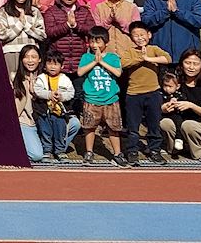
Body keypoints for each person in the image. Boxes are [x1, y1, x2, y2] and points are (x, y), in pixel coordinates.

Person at [119, 21, 171, 165]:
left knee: (154, 124)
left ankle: (154, 150)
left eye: (142, 34)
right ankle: (132, 151)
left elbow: (167, 58)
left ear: (149, 35)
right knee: (133, 126)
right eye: (135, 35)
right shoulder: (129, 51)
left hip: (153, 92)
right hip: (133, 94)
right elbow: (124, 64)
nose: (139, 38)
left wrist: (148, 58)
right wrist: (140, 58)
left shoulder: (153, 49)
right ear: (131, 38)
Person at [77, 27, 127, 166]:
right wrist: (94, 61)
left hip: (111, 99)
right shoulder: (86, 57)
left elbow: (118, 73)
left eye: (98, 42)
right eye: (92, 42)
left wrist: (101, 62)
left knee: (114, 128)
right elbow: (80, 72)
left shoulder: (113, 57)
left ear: (106, 42)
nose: (94, 45)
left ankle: (117, 154)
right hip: (91, 99)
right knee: (89, 127)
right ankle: (89, 152)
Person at [160, 48, 201, 161]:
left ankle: (198, 151)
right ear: (181, 64)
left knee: (188, 125)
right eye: (187, 63)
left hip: (199, 124)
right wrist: (165, 108)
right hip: (176, 123)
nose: (191, 67)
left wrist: (191, 105)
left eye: (195, 64)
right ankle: (172, 148)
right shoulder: (174, 82)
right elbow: (160, 103)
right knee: (165, 123)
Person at [32, 49, 80, 161]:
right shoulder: (41, 78)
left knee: (60, 131)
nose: (52, 67)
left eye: (56, 64)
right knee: (45, 131)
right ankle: (47, 150)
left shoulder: (65, 79)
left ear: (62, 66)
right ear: (45, 66)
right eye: (49, 63)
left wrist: (62, 96)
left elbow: (71, 93)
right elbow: (37, 91)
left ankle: (60, 150)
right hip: (44, 112)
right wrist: (49, 94)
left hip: (59, 113)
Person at [42, 0, 95, 81]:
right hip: (59, 63)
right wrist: (67, 25)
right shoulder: (51, 11)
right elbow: (49, 32)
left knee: (79, 89)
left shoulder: (84, 11)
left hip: (79, 63)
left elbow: (92, 30)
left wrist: (76, 25)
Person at [0, 0, 45, 75]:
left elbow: (42, 35)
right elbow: (2, 35)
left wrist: (26, 25)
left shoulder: (34, 11)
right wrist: (19, 25)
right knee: (12, 80)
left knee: (31, 80)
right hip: (11, 52)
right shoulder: (3, 11)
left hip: (31, 53)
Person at [12, 45, 44, 163]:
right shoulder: (14, 78)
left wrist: (37, 92)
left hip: (44, 120)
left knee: (74, 124)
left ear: (39, 59)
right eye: (26, 57)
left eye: (34, 57)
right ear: (21, 60)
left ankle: (48, 147)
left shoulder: (46, 78)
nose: (30, 60)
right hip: (26, 122)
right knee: (36, 155)